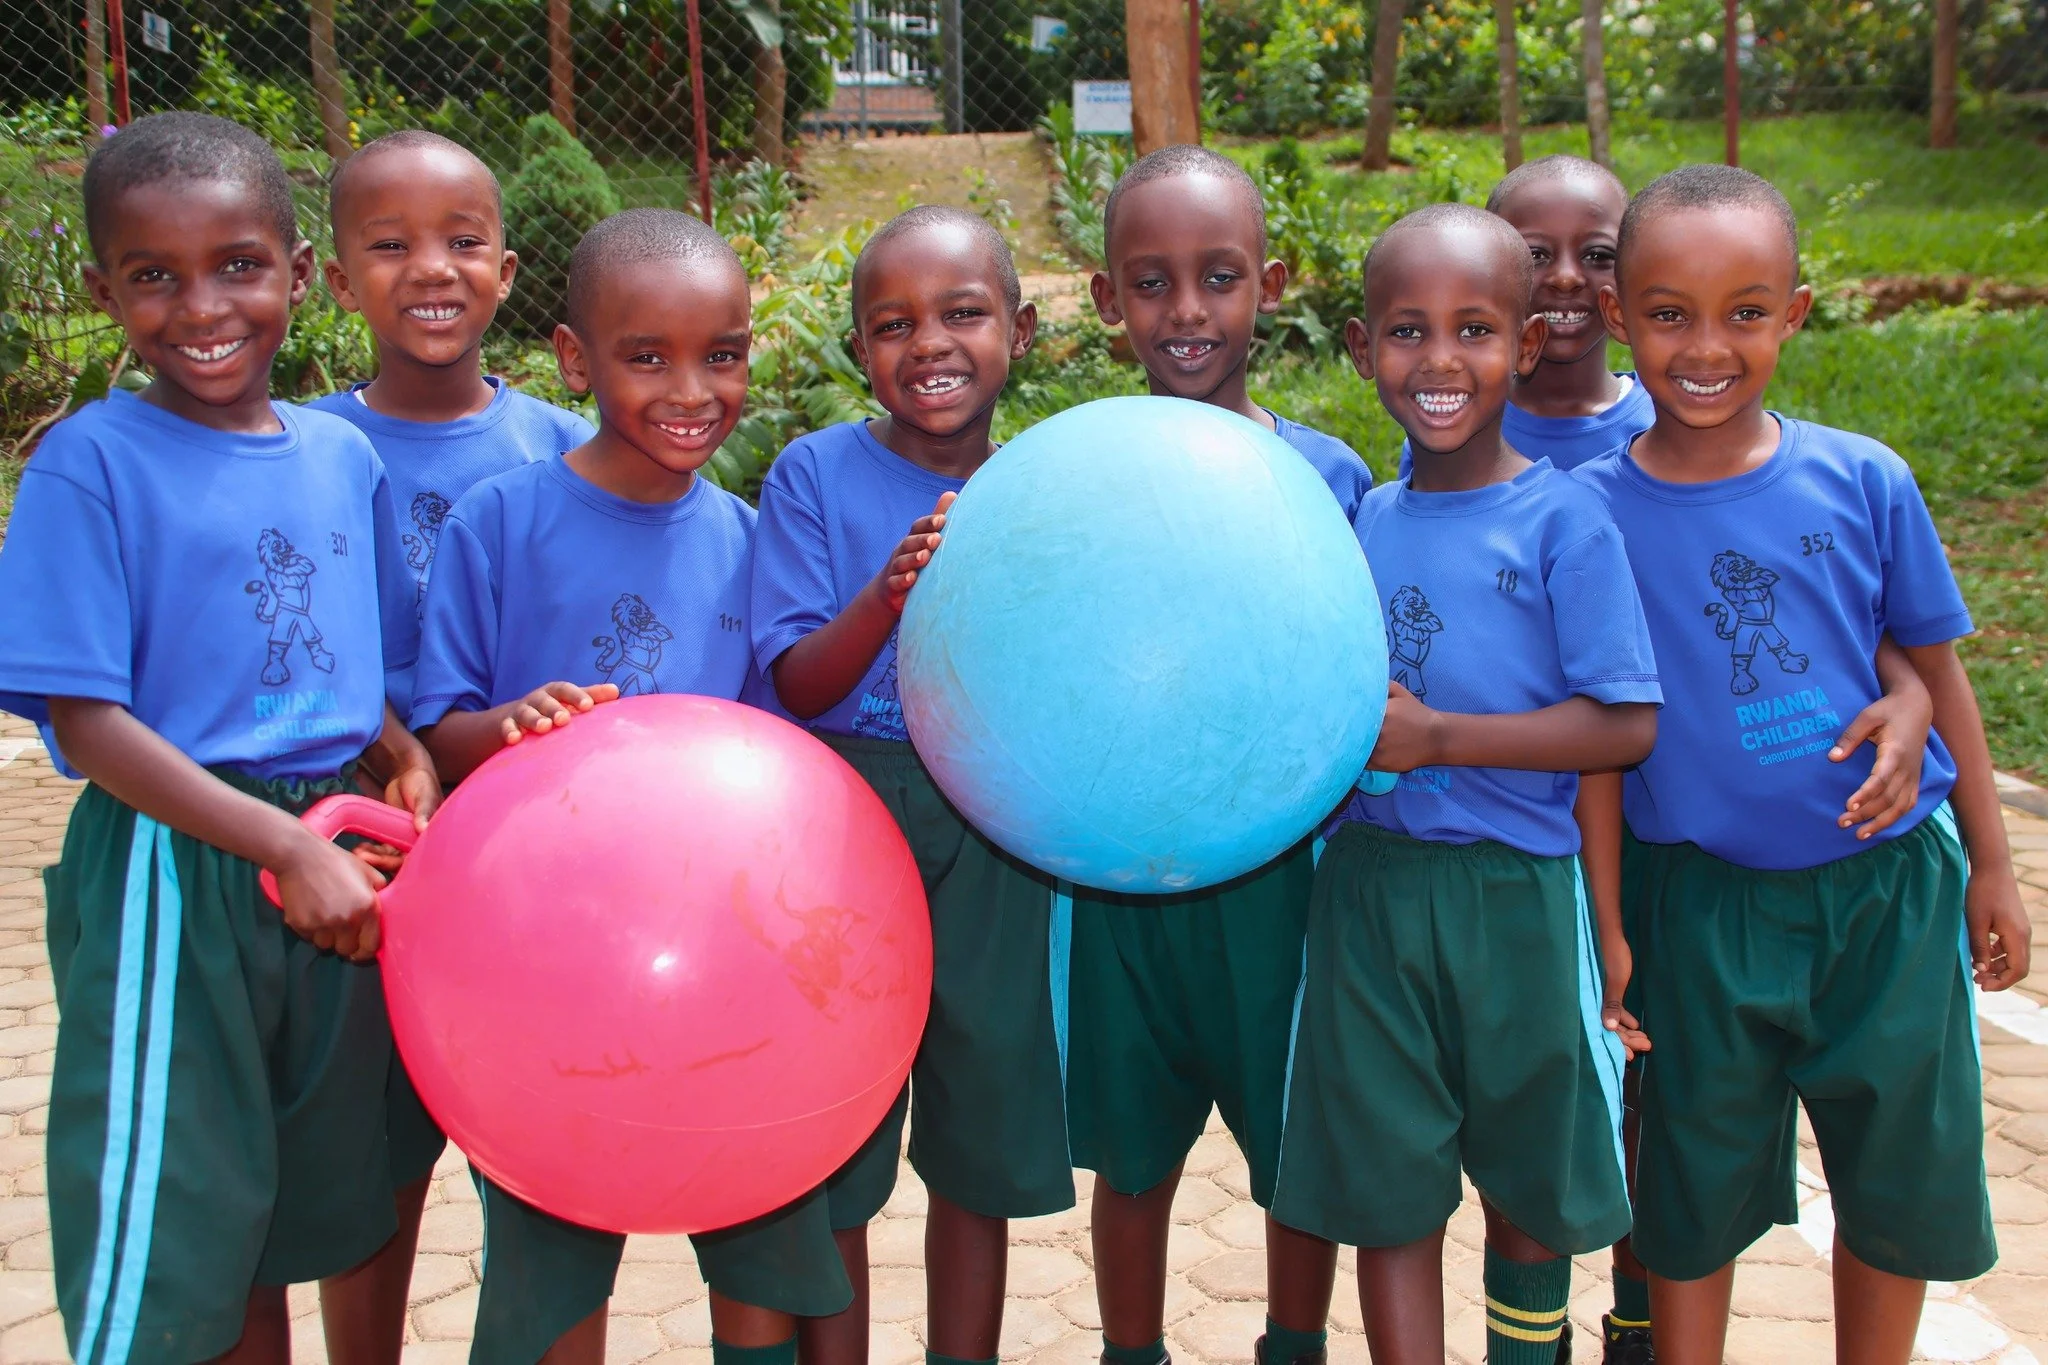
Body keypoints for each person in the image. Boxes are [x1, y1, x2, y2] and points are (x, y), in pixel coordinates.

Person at [408, 208, 891, 1365]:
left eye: (720, 355)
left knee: (762, 1247)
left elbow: (781, 762)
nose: (692, 388)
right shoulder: (501, 523)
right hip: (547, 974)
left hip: (732, 975)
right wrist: (505, 727)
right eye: (646, 356)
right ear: (575, 360)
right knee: (550, 1254)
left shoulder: (747, 533)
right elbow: (438, 728)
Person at [0, 111, 440, 1365]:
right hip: (172, 868)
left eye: (238, 265)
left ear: (301, 276)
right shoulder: (91, 462)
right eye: (154, 276)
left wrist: (392, 748)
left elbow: (353, 659)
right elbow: (82, 723)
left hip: (337, 857)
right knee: (183, 1213)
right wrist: (275, 843)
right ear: (103, 289)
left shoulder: (343, 456)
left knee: (307, 1198)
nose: (202, 306)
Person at [1577, 164, 2029, 1365]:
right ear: (1620, 315)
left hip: (1883, 896)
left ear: (1796, 312)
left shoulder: (1862, 476)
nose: (1706, 345)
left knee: (1894, 1181)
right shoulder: (1586, 516)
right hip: (1695, 908)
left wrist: (1991, 860)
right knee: (1687, 1194)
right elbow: (1599, 753)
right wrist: (1609, 925)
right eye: (1668, 312)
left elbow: (1933, 671)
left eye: (1745, 310)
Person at [1270, 202, 1663, 1365]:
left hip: (1517, 900)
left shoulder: (1567, 523)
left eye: (1474, 331)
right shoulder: (1352, 523)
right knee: (1386, 1190)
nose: (1439, 362)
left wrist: (1440, 741)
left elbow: (1624, 725)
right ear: (1358, 346)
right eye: (1406, 331)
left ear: (1525, 343)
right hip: (1370, 896)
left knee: (1529, 1184)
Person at [1069, 143, 1373, 1365]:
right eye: (1148, 282)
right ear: (1104, 301)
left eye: (1218, 277)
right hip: (1112, 878)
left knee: (1296, 1149)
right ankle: (1128, 1352)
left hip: (1282, 885)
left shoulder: (1332, 481)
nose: (1184, 311)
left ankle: (1291, 1346)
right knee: (1132, 1155)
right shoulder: (1077, 477)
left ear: (1272, 283)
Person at [751, 206, 1069, 1365]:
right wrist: (888, 596)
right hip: (846, 819)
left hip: (995, 826)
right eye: (892, 325)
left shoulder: (1047, 485)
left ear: (1020, 331)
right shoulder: (813, 476)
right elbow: (793, 681)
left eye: (963, 314)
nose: (928, 343)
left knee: (977, 1130)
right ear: (857, 354)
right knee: (835, 1128)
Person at [305, 127, 595, 1362]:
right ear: (334, 277)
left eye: (463, 242)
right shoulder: (302, 445)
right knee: (370, 1168)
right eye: (391, 244)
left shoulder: (559, 448)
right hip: (365, 846)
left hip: (517, 866)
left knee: (538, 1168)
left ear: (508, 269)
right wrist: (393, 753)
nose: (432, 269)